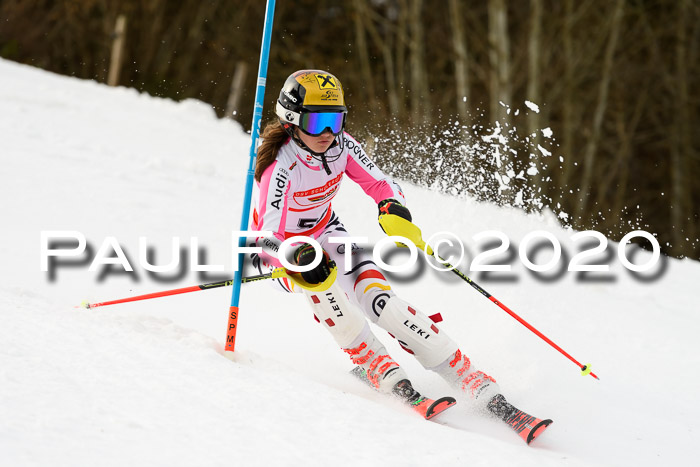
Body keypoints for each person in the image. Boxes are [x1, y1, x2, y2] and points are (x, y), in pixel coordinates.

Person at [249, 70, 544, 433]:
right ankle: (375, 363)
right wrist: (296, 260)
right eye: (318, 122)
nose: (328, 133)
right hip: (285, 250)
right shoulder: (280, 167)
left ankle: (465, 374)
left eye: (336, 120)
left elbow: (379, 182)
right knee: (327, 290)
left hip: (328, 231)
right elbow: (264, 240)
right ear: (292, 121)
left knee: (380, 301)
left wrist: (391, 206)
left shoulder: (342, 146)